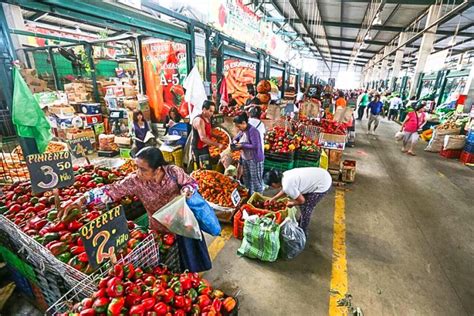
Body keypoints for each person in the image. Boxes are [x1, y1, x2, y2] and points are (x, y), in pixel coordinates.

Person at [63, 147, 211, 272]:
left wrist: (186, 192)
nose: (138, 172)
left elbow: (191, 183)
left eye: (143, 169)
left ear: (157, 169)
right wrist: (82, 199)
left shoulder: (173, 172)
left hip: (184, 223)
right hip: (160, 229)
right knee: (169, 261)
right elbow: (111, 191)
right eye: (136, 168)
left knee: (191, 256)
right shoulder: (135, 181)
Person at [264, 168, 332, 236]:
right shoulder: (285, 175)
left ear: (273, 184)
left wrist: (292, 203)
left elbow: (302, 201)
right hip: (321, 174)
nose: (272, 187)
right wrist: (274, 198)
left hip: (322, 184)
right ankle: (301, 222)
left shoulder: (287, 185)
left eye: (271, 186)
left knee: (306, 207)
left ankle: (302, 232)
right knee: (302, 202)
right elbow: (285, 190)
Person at [232, 113, 264, 194]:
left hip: (254, 160)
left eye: (238, 126)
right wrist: (235, 141)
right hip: (245, 158)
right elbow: (237, 137)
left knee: (256, 182)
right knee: (247, 180)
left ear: (244, 123)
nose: (238, 128)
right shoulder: (243, 130)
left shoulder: (253, 131)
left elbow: (255, 146)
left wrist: (242, 145)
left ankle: (259, 198)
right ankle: (249, 196)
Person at [192, 100, 225, 168]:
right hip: (199, 149)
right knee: (204, 168)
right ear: (204, 109)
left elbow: (208, 131)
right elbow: (203, 138)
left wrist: (216, 136)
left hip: (205, 147)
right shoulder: (199, 121)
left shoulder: (207, 118)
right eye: (210, 111)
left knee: (208, 166)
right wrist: (218, 144)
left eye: (213, 111)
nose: (212, 113)